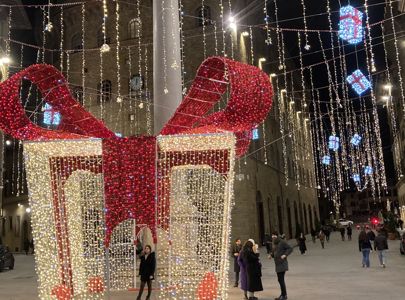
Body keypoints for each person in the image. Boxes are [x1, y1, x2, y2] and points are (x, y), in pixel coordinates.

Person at [270, 231, 293, 300]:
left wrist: (285, 255)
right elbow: (274, 252)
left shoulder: (282, 242)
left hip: (282, 263)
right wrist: (271, 255)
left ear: (277, 236)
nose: (273, 237)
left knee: (281, 280)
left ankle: (284, 295)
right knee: (280, 280)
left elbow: (290, 248)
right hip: (277, 263)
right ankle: (282, 295)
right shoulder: (274, 243)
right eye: (272, 235)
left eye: (274, 235)